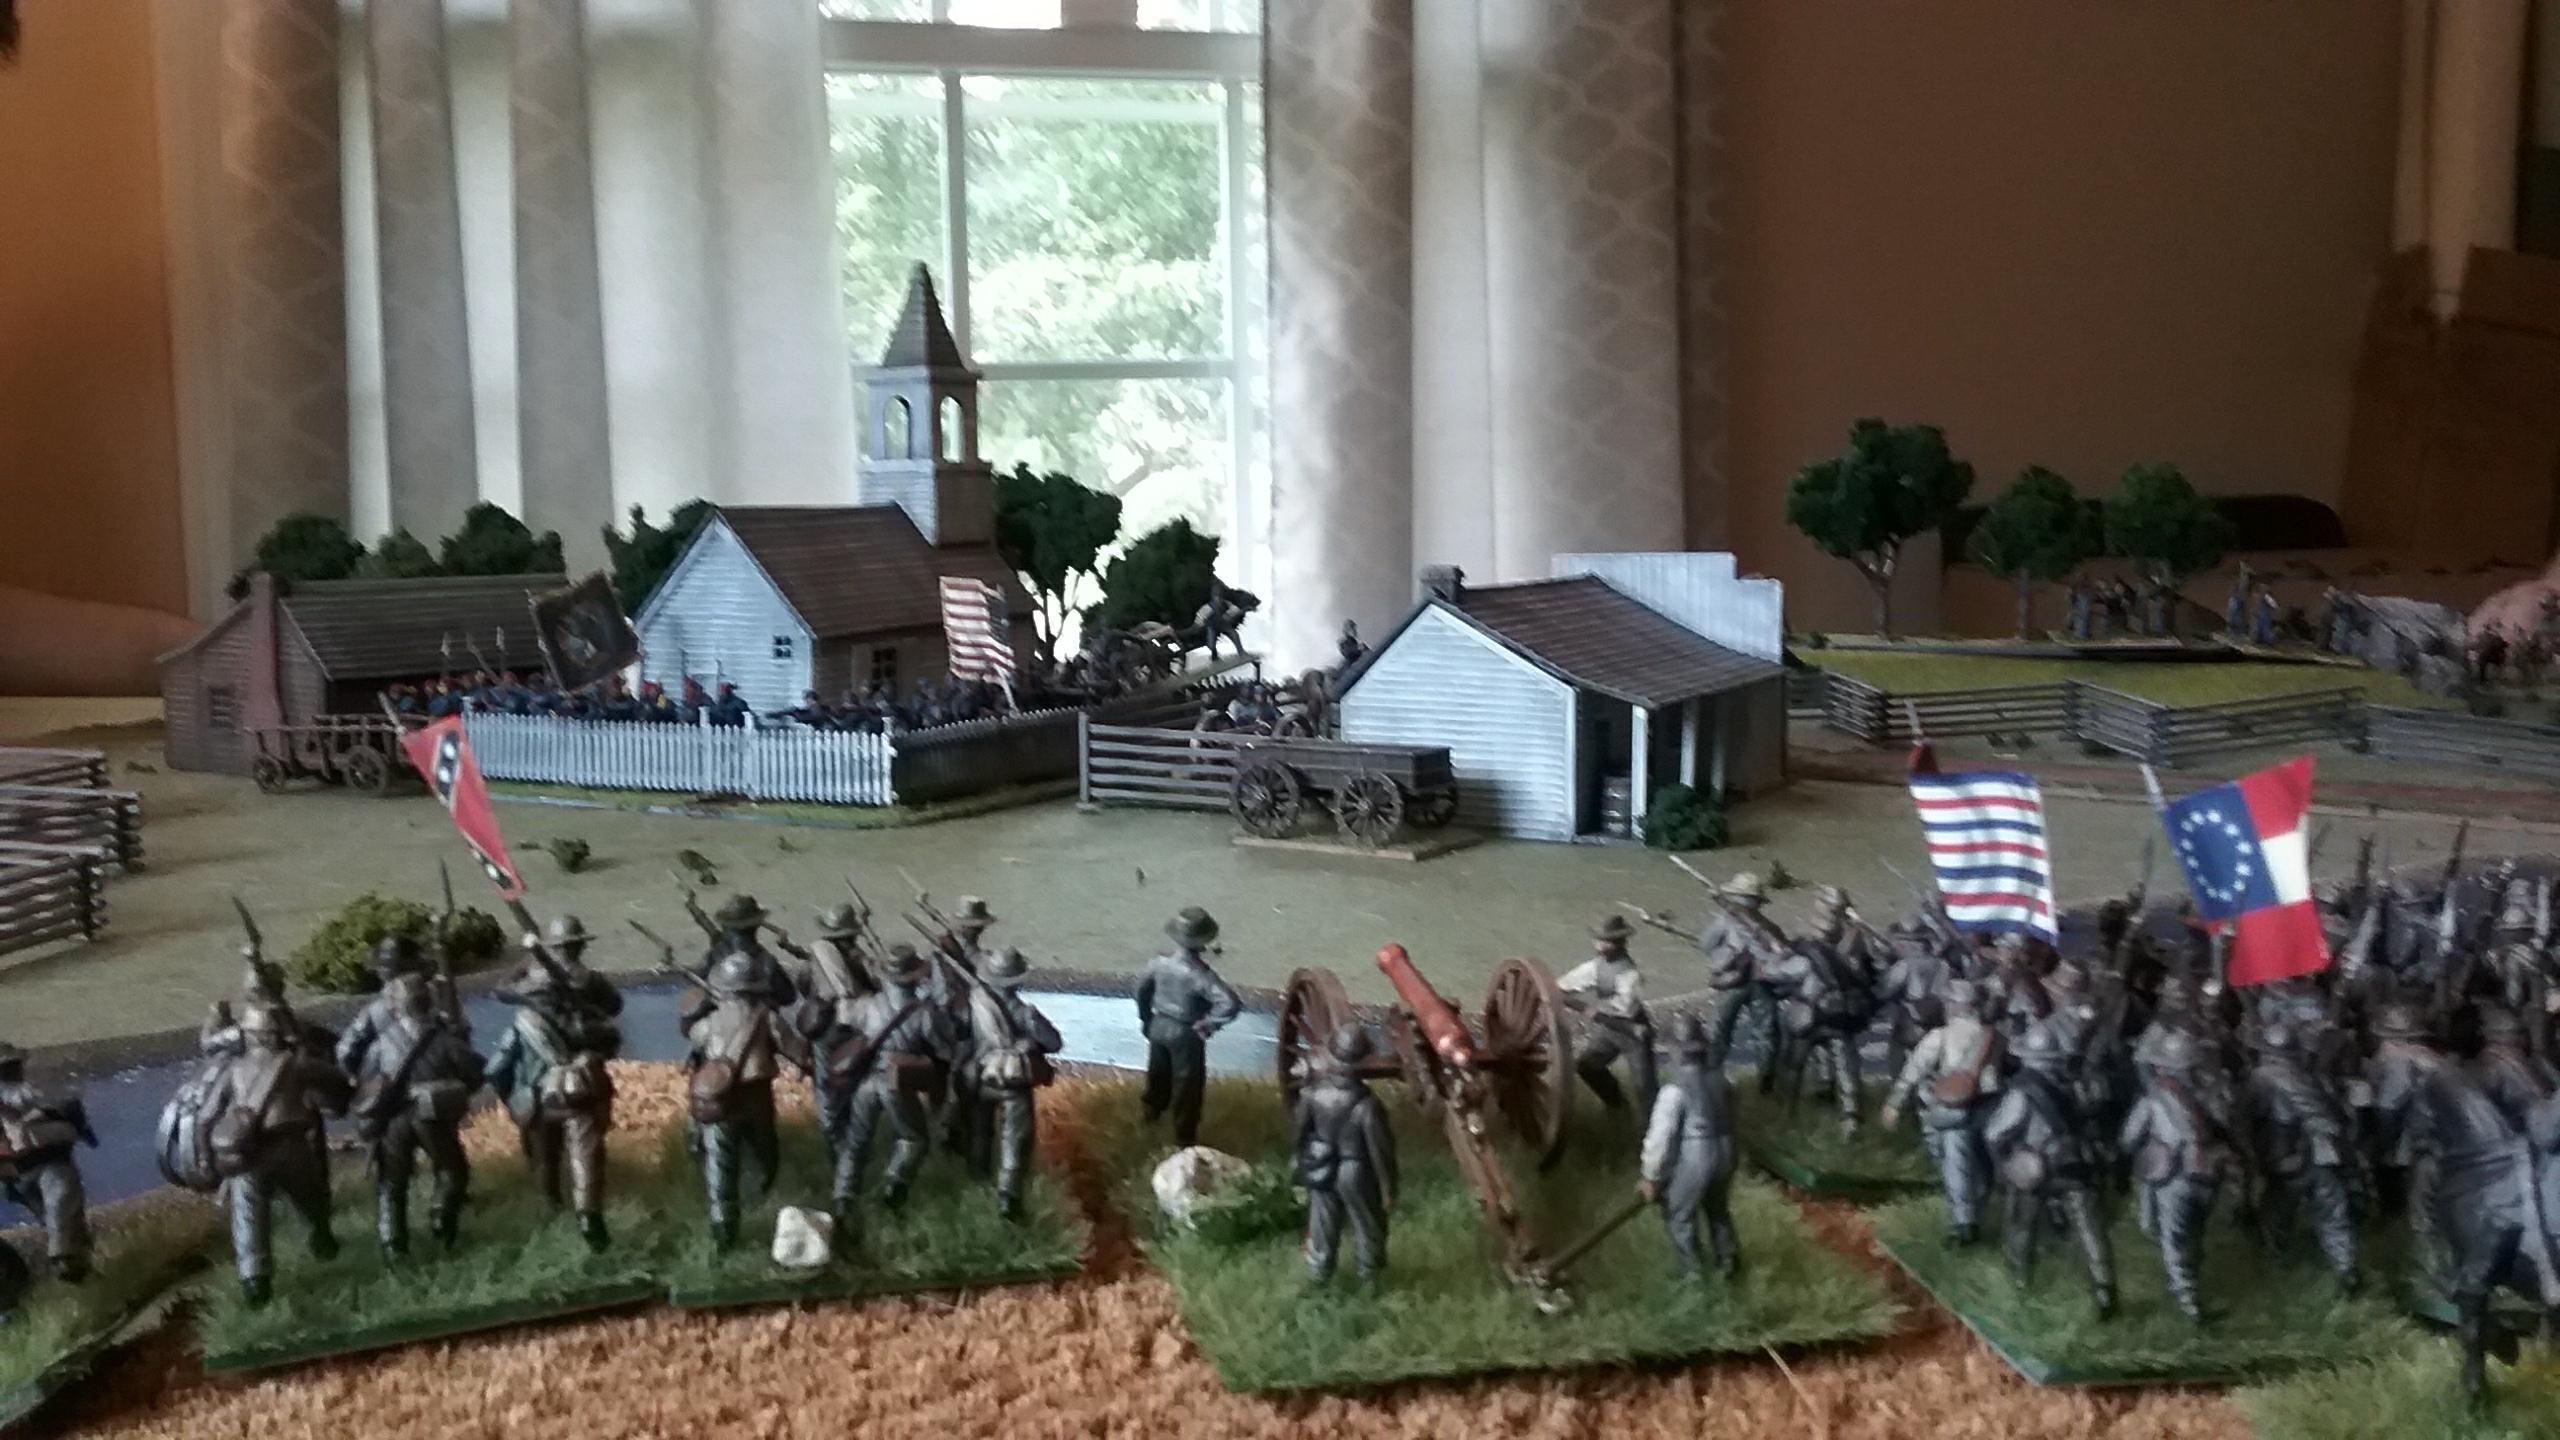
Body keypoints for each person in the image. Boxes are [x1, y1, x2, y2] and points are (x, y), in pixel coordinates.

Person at [485, 916, 625, 1252]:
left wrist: (528, 959)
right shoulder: (591, 982)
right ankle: (589, 1217)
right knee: (585, 1154)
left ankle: (551, 1208)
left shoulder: (531, 992)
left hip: (537, 1093)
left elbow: (501, 990)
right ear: (579, 945)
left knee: (544, 1157)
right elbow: (614, 1007)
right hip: (581, 1088)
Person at [336, 936, 483, 1256]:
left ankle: (393, 1243)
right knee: (450, 1169)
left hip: (393, 1113)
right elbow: (472, 1067)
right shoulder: (440, 1024)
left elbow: (348, 1055)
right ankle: (441, 1219)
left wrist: (369, 1090)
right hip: (432, 1110)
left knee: (392, 1182)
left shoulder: (377, 1029)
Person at [206, 1001, 349, 1306]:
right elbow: (337, 1082)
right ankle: (322, 1243)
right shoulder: (296, 1064)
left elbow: (207, 1115)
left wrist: (209, 1158)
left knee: (248, 1214)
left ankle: (255, 1281)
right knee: (311, 1200)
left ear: (250, 1035)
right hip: (291, 1147)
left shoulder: (233, 1070)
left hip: (249, 1153)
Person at [1980, 1024, 2115, 1317]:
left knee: (2020, 1225)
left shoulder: (2021, 1093)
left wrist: (2005, 1163)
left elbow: (1994, 1133)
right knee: (2090, 1229)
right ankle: (2104, 1287)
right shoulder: (2076, 1084)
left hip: (2035, 1169)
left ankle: (2020, 1282)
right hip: (2075, 1165)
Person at [832, 944, 959, 1245]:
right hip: (896, 1085)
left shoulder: (866, 1005)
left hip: (866, 1083)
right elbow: (945, 1048)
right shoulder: (925, 1013)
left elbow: (844, 1024)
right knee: (914, 1141)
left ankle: (843, 1198)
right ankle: (892, 1191)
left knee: (855, 1143)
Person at [2117, 1028, 2235, 1322]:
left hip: (2173, 1174)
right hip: (2209, 1172)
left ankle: (2188, 1301)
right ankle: (2191, 1279)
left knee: (2174, 1238)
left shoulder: (2153, 1098)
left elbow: (2128, 1138)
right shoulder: (2210, 1092)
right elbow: (2226, 1124)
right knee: (2194, 1231)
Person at [682, 949, 794, 1248]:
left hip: (720, 1100)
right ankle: (759, 1203)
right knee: (764, 1155)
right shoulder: (769, 1018)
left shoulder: (708, 1023)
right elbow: (796, 1050)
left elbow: (694, 1038)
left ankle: (724, 1230)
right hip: (756, 1097)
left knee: (719, 1163)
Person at [1882, 979, 2001, 1245]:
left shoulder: (1940, 1036)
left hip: (1954, 1109)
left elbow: (1913, 1071)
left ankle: (1963, 1224)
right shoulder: (1994, 1036)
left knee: (1953, 1164)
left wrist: (1894, 1103)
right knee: (1982, 1167)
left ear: (1955, 1006)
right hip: (1989, 1109)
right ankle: (1978, 1213)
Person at [2244, 1022, 2359, 1293]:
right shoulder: (2308, 1074)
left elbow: (2247, 1115)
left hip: (2288, 1157)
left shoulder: (2261, 1077)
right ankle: (2346, 1269)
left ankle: (2275, 1263)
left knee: (2277, 1212)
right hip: (2322, 1152)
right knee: (2332, 1214)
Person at [1293, 1024, 1397, 1289]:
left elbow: (1300, 1134)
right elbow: (1381, 1149)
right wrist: (1389, 1186)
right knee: (1368, 1223)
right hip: (1356, 1169)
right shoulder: (1368, 1105)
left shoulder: (1311, 1096)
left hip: (1322, 1165)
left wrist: (1303, 1162)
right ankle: (1369, 1278)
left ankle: (1319, 1276)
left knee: (1322, 1222)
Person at [964, 948, 1063, 1220]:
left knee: (980, 1134)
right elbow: (1054, 1042)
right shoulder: (1024, 1013)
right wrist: (1028, 1043)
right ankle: (1008, 1198)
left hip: (981, 1078)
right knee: (1014, 1140)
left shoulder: (974, 1005)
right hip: (1013, 1084)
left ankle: (976, 1181)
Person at [1639, 1013, 1739, 1279]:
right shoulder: (1723, 1079)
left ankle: (1693, 1275)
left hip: (1697, 1157)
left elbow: (1660, 1138)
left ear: (1676, 1051)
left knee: (1680, 1215)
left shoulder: (1673, 1091)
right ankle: (1728, 1264)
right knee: (1718, 1210)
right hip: (1728, 1151)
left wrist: (1651, 1175)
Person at [1136, 908, 1242, 1147]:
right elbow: (1230, 1003)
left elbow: (1141, 991)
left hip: (1159, 1023)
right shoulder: (1200, 974)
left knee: (1158, 1074)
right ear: (1203, 941)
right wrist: (1208, 1024)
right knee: (1187, 1086)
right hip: (1185, 1032)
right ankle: (1184, 1137)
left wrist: (1146, 1018)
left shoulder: (1158, 963)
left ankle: (1150, 1115)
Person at [0, 1042, 95, 1282]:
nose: (11, 1071)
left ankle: (66, 1259)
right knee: (55, 1215)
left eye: (12, 1066)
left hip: (52, 1160)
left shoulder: (35, 1090)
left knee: (61, 1206)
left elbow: (64, 1104)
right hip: (20, 1171)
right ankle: (74, 1263)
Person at [1558, 915, 1657, 1117]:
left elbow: (1625, 1006)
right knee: (1587, 1067)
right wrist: (1556, 990)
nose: (1599, 944)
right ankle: (1617, 1105)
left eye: (1605, 940)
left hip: (1633, 1031)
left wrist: (1589, 1008)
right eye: (1598, 939)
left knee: (1644, 1087)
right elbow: (1567, 983)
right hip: (1608, 1030)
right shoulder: (1596, 966)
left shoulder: (1629, 973)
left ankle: (1653, 1126)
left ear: (1619, 943)